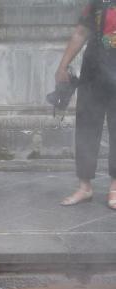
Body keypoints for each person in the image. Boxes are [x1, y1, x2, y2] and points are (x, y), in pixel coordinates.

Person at [57, 0, 116, 208]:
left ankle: (115, 188)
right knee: (86, 128)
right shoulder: (96, 2)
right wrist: (63, 66)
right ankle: (84, 187)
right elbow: (81, 32)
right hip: (93, 73)